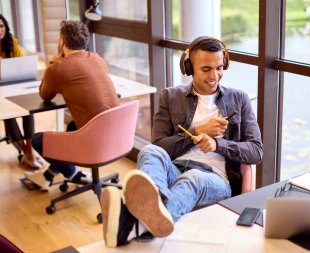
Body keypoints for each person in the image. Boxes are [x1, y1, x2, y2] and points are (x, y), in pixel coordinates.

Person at [100, 37, 263, 247]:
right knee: (149, 151)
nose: (215, 76)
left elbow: (256, 152)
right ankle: (151, 210)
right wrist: (197, 130)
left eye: (219, 68)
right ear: (189, 67)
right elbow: (159, 146)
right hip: (175, 170)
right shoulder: (170, 96)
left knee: (194, 177)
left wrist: (219, 144)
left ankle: (136, 224)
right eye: (206, 69)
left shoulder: (239, 99)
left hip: (215, 179)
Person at [24, 20, 119, 190]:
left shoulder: (58, 68)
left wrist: (53, 63)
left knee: (37, 140)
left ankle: (74, 175)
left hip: (94, 142)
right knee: (73, 126)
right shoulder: (97, 59)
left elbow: (45, 94)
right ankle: (47, 176)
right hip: (117, 137)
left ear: (62, 42)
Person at [0, 14, 42, 168]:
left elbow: (21, 64)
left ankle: (28, 149)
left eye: (2, 26)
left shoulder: (12, 42)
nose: (0, 30)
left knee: (28, 110)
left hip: (13, 85)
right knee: (8, 115)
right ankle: (28, 152)